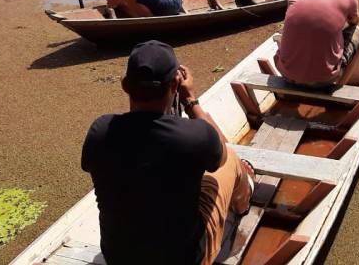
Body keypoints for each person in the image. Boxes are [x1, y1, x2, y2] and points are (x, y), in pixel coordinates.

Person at [81, 40, 256, 265]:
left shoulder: (100, 131)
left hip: (118, 257)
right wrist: (190, 99)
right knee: (230, 159)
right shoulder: (195, 135)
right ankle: (244, 199)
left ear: (125, 85)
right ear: (176, 83)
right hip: (187, 259)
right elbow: (220, 151)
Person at [274, 0, 359, 87]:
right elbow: (354, 22)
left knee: (289, 27)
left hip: (287, 75)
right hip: (324, 79)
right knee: (358, 32)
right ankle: (339, 85)